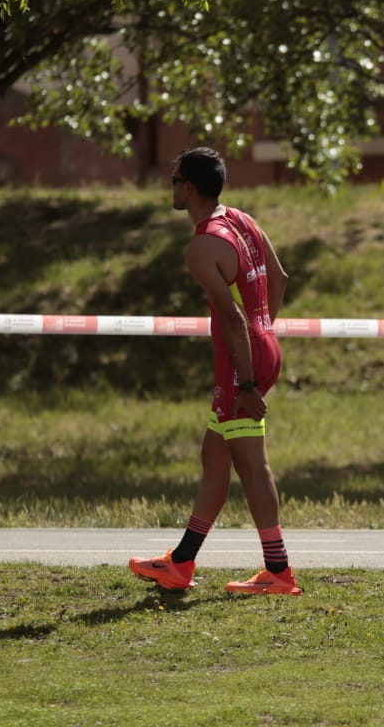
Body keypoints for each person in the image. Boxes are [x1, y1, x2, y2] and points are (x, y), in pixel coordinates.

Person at [128, 147, 301, 594]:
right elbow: (279, 279)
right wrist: (263, 340)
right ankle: (181, 562)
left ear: (188, 187)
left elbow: (231, 318)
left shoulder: (203, 246)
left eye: (173, 180)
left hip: (240, 360)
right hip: (260, 344)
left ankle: (278, 572)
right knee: (215, 457)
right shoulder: (242, 220)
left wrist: (246, 379)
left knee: (252, 464)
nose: (170, 187)